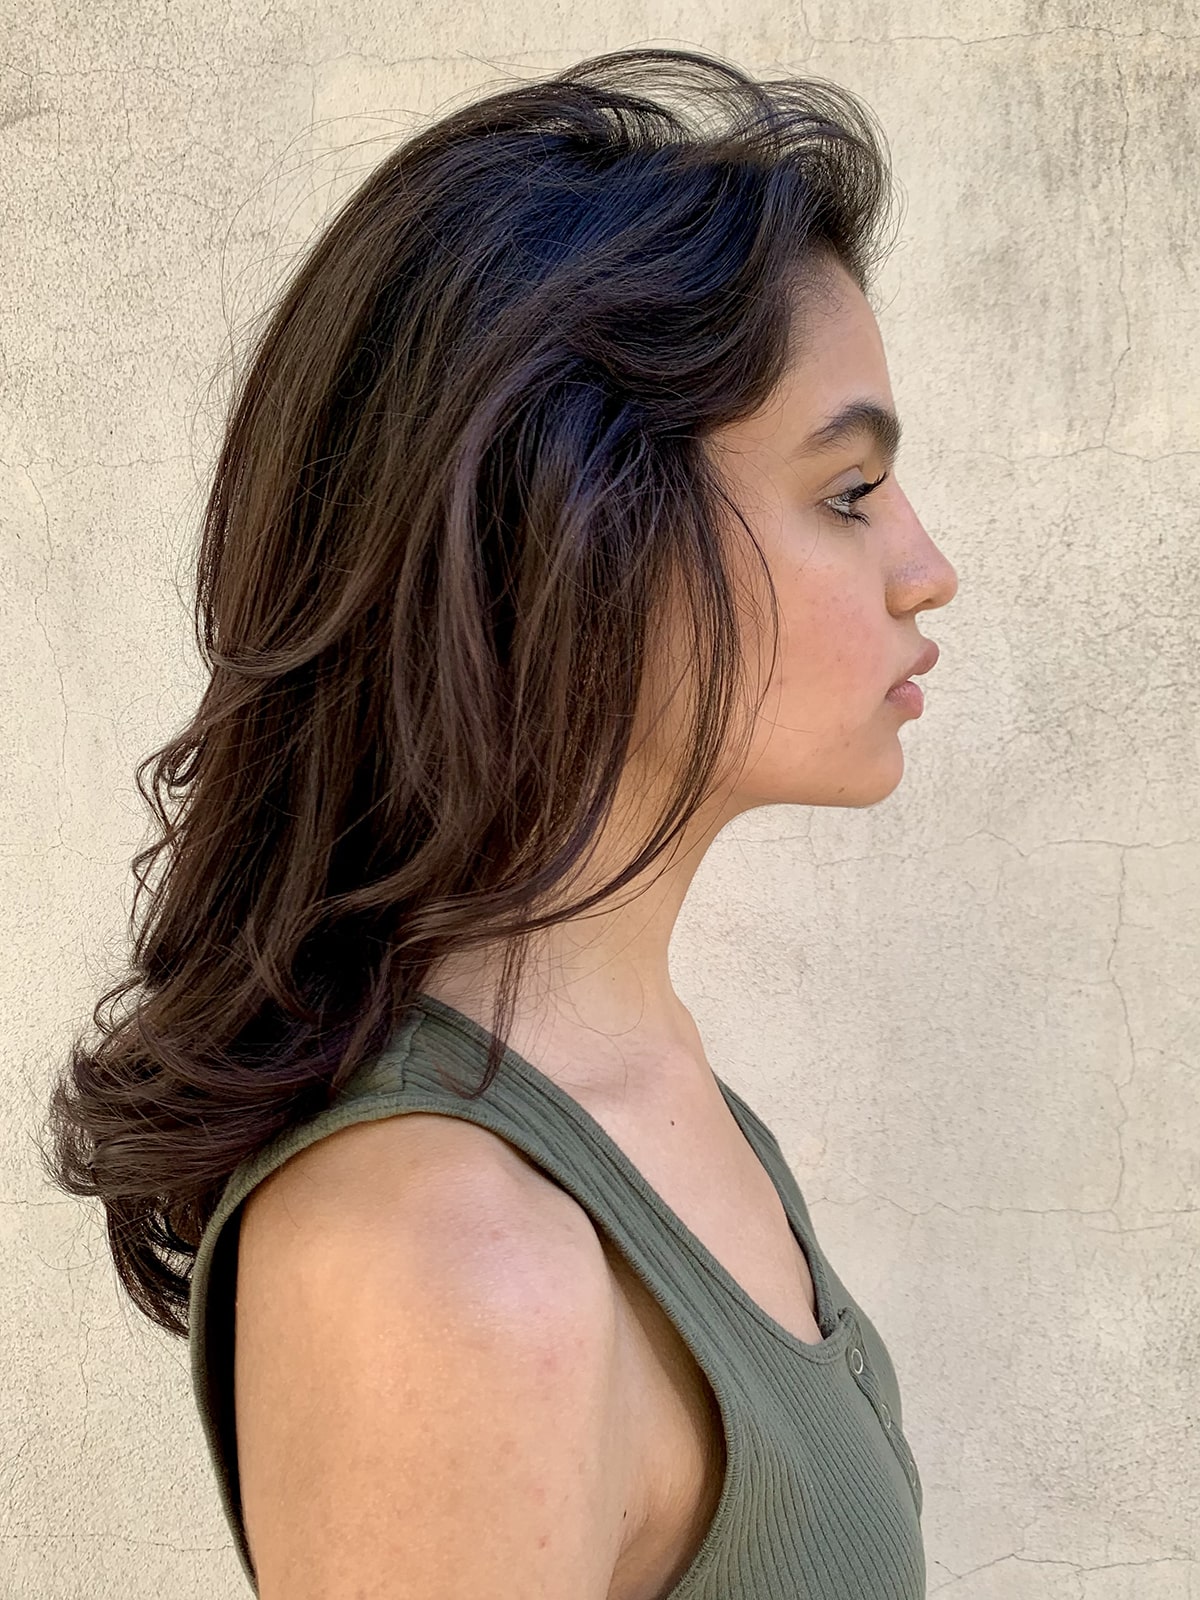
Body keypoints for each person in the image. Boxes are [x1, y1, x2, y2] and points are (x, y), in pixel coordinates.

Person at [42, 44, 958, 1599]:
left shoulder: (642, 1084)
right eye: (848, 491)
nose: (927, 568)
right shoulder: (449, 1260)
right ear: (586, 535)